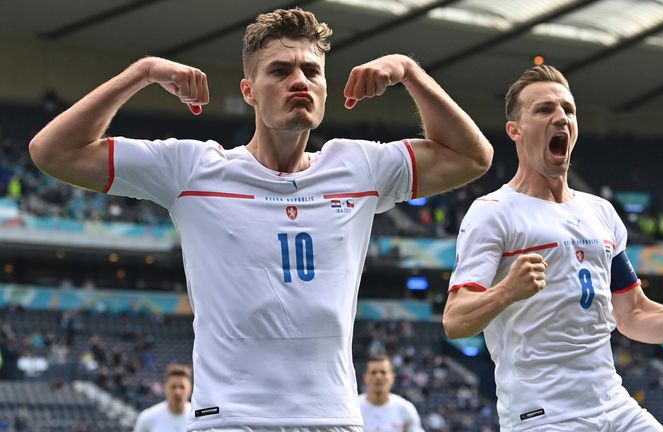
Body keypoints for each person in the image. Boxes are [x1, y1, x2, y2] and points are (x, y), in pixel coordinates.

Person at [28, 8, 493, 432]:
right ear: (248, 91)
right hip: (230, 418)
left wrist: (409, 73)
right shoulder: (192, 169)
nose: (300, 81)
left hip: (332, 417)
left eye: (312, 71)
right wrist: (142, 73)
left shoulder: (359, 167)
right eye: (280, 70)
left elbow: (472, 156)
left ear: (327, 88)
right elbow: (53, 151)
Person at [442, 65, 663, 432]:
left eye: (568, 109)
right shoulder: (493, 213)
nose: (560, 118)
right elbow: (455, 320)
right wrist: (506, 292)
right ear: (515, 131)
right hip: (544, 416)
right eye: (544, 109)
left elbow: (633, 314)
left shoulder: (601, 213)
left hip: (614, 405)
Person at [358, 355, 424, 432]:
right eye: (373, 372)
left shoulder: (405, 408)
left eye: (383, 372)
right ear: (365, 377)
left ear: (392, 377)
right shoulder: (354, 408)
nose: (378, 376)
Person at [133, 364, 193, 432]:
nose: (177, 392)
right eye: (173, 387)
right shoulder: (147, 418)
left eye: (182, 387)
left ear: (190, 389)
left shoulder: (199, 418)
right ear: (165, 388)